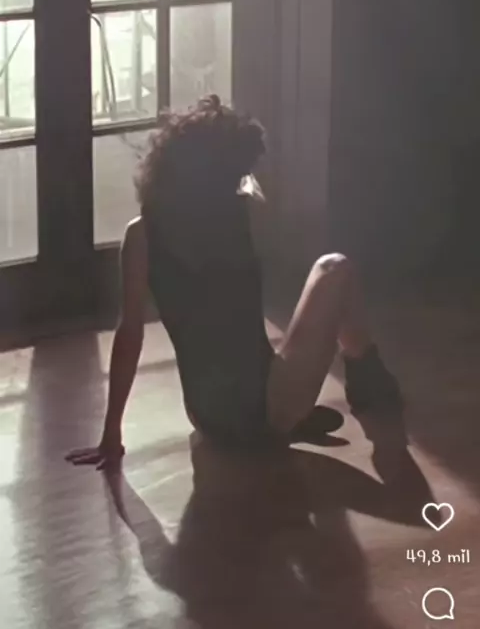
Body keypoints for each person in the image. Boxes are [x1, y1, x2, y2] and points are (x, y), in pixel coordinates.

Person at [67, 95, 402, 471]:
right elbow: (274, 203)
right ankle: (367, 384)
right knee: (335, 269)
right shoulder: (243, 214)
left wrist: (111, 432)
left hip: (206, 416)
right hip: (266, 406)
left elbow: (130, 333)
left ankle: (299, 413)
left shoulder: (141, 235)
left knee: (264, 359)